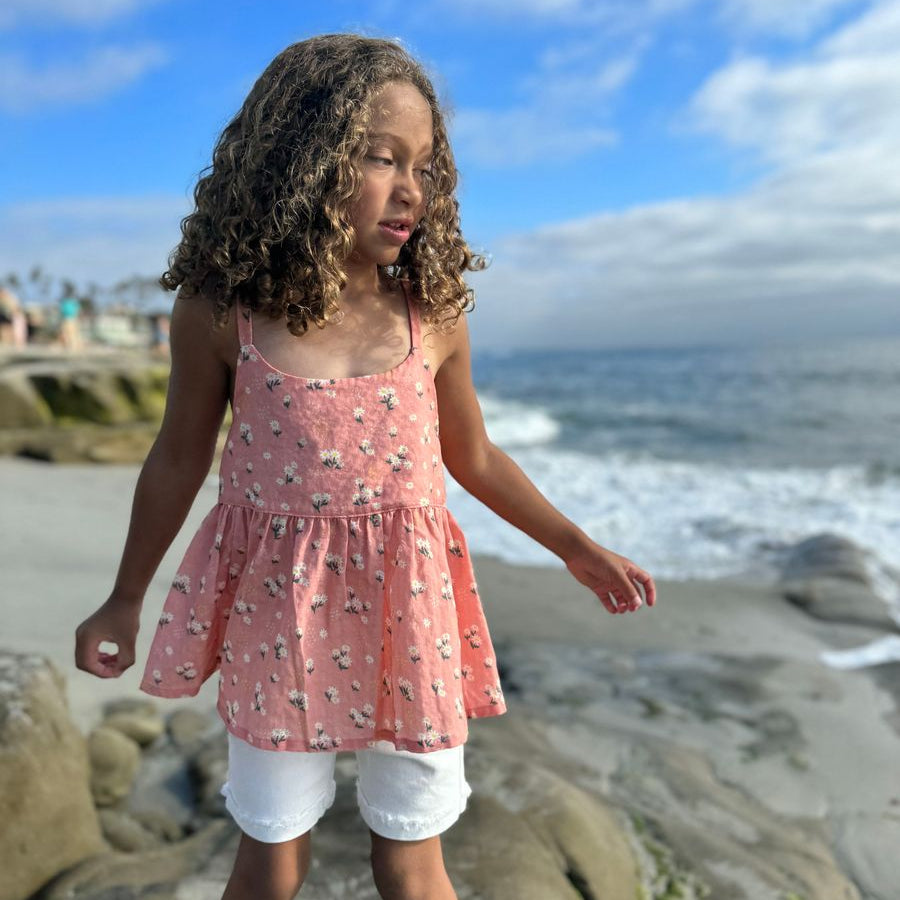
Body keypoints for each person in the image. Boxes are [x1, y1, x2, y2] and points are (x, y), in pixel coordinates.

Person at [74, 33, 656, 900]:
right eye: (383, 157)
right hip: (277, 613)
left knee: (413, 863)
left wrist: (575, 546)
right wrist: (125, 597)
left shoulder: (434, 312)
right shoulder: (220, 312)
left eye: (425, 166)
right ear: (299, 160)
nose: (411, 187)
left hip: (410, 612)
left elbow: (473, 455)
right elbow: (177, 458)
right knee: (271, 858)